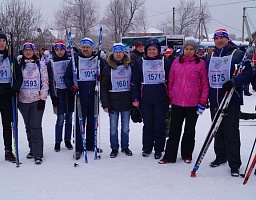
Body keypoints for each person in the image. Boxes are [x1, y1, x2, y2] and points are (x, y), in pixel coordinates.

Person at [205, 28, 252, 177]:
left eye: (222, 38)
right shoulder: (210, 56)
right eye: (216, 38)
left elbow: (249, 74)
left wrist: (234, 81)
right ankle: (221, 156)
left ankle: (234, 163)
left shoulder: (237, 54)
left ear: (227, 39)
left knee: (231, 132)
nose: (219, 41)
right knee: (217, 130)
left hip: (231, 99)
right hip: (215, 99)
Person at [159, 40, 209, 164]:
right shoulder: (176, 62)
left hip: (193, 103)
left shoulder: (201, 64)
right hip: (177, 102)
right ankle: (169, 156)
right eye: (187, 49)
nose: (188, 51)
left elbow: (204, 83)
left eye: (191, 49)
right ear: (183, 49)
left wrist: (203, 101)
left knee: (189, 130)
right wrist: (170, 96)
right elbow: (171, 80)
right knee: (174, 130)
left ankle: (187, 154)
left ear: (195, 51)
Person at [131, 38, 174, 159]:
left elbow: (171, 80)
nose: (151, 51)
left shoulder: (165, 61)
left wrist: (170, 96)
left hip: (161, 99)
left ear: (158, 50)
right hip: (145, 99)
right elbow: (134, 81)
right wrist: (135, 98)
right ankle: (147, 148)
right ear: (145, 50)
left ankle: (159, 149)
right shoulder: (140, 62)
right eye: (149, 49)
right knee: (148, 124)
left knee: (159, 124)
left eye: (154, 49)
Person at [64, 37, 105, 160]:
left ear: (92, 48)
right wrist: (72, 87)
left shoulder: (98, 60)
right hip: (80, 95)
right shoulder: (75, 60)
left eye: (87, 47)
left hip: (94, 94)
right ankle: (79, 148)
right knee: (80, 121)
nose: (85, 49)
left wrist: (101, 76)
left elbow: (107, 73)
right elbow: (67, 77)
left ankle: (91, 144)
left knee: (93, 120)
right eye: (83, 47)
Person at [18, 42, 49, 164]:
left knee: (35, 126)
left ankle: (38, 154)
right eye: (26, 50)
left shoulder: (40, 64)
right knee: (28, 127)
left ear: (33, 51)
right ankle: (32, 149)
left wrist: (43, 98)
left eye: (30, 50)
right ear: (23, 52)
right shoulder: (19, 65)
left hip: (37, 100)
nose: (28, 52)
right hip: (23, 100)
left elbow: (45, 82)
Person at [101, 43, 132, 158]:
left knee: (125, 128)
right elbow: (103, 86)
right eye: (116, 52)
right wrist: (105, 104)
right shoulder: (107, 67)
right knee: (113, 128)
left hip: (126, 101)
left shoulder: (129, 66)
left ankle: (125, 146)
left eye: (120, 52)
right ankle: (114, 148)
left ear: (124, 53)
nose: (118, 54)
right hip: (113, 102)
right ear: (113, 53)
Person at [47, 40, 74, 152]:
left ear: (65, 50)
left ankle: (67, 140)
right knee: (60, 119)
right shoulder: (51, 62)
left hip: (69, 92)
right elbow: (50, 80)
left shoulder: (70, 61)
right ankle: (58, 141)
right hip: (59, 92)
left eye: (61, 49)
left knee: (69, 118)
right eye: (57, 50)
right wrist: (53, 97)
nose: (59, 52)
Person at [0, 30, 23, 163]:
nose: (1, 44)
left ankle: (8, 151)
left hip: (7, 95)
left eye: (3, 41)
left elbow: (19, 77)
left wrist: (14, 90)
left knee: (7, 125)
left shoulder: (10, 58)